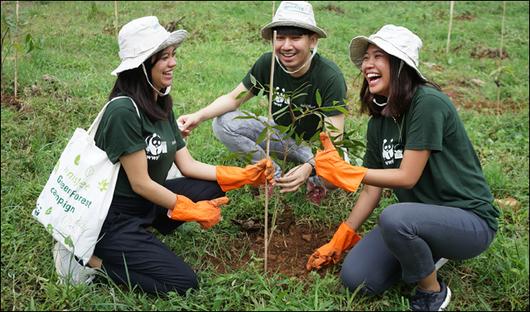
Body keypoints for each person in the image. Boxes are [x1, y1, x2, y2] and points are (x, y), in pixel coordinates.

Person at [52, 16, 273, 295]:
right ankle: (89, 259)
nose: (173, 63)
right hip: (112, 218)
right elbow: (140, 183)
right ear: (142, 65)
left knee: (214, 186)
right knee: (182, 283)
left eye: (173, 55)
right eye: (164, 58)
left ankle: (144, 234)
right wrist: (189, 208)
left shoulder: (160, 101)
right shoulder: (123, 112)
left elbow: (187, 164)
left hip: (146, 204)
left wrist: (242, 175)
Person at [305, 25, 499, 311]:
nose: (367, 65)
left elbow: (407, 177)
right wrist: (342, 236)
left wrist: (346, 172)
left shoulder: (428, 103)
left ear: (400, 64)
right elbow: (372, 189)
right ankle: (424, 249)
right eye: (366, 58)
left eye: (378, 56)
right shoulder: (379, 123)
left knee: (395, 217)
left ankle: (432, 291)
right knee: (357, 278)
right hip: (416, 218)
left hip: (468, 220)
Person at [176, 1, 348, 204]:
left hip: (315, 145)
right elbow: (233, 99)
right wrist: (199, 115)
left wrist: (310, 165)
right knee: (223, 123)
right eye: (280, 38)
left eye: (295, 38)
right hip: (282, 134)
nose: (286, 46)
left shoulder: (330, 77)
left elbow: (333, 141)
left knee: (333, 174)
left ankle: (314, 179)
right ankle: (270, 175)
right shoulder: (269, 64)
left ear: (312, 40)